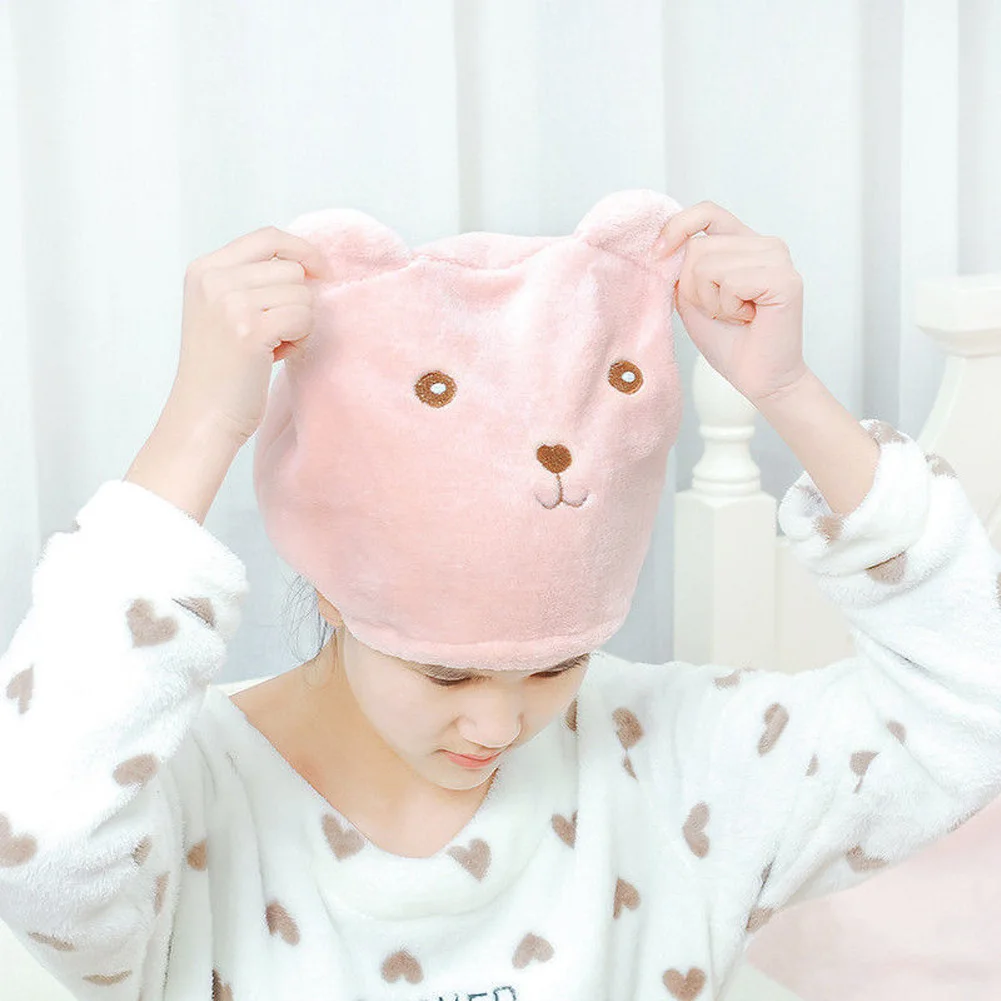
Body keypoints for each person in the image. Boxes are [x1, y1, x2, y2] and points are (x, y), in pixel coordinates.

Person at [1, 191, 998, 1001]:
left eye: (556, 666)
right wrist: (201, 422)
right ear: (335, 595)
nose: (497, 724)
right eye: (444, 673)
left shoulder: (674, 769)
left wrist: (787, 391)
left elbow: (965, 713)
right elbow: (33, 841)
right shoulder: (181, 804)